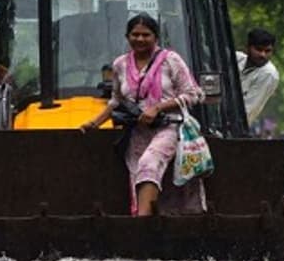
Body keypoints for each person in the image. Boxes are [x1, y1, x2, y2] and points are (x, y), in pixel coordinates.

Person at [81, 13, 205, 216]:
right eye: (135, 34)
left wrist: (158, 108)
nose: (140, 39)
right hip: (137, 132)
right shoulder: (120, 64)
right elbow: (116, 100)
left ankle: (141, 224)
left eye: (146, 35)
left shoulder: (170, 60)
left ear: (156, 37)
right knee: (137, 175)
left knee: (149, 163)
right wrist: (94, 123)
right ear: (127, 36)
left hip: (168, 127)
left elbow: (194, 94)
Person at [236, 28, 279, 124]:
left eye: (267, 51)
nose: (263, 55)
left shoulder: (268, 74)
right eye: (259, 49)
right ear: (248, 48)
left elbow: (248, 110)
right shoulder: (238, 59)